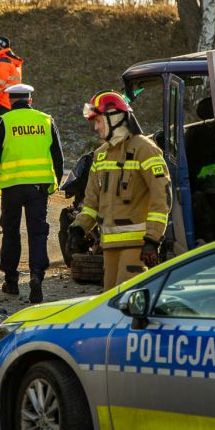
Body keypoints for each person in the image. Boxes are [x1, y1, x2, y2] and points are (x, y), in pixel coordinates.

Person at [69, 91, 171, 291]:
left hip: (138, 246)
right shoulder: (100, 155)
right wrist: (79, 228)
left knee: (127, 300)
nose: (95, 127)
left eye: (98, 121)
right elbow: (91, 203)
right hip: (109, 247)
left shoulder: (144, 149)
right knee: (110, 300)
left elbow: (162, 197)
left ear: (114, 118)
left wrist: (152, 239)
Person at [0, 83, 64, 303]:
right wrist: (56, 182)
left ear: (10, 101)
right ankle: (36, 275)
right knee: (38, 233)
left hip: (11, 188)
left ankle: (11, 280)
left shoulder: (2, 122)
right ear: (30, 100)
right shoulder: (46, 121)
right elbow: (58, 155)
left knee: (11, 233)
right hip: (39, 188)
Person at [0, 36, 24, 117]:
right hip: (11, 102)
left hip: (2, 103)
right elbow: (9, 81)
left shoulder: (2, 62)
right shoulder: (13, 61)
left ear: (2, 47)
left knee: (1, 125)